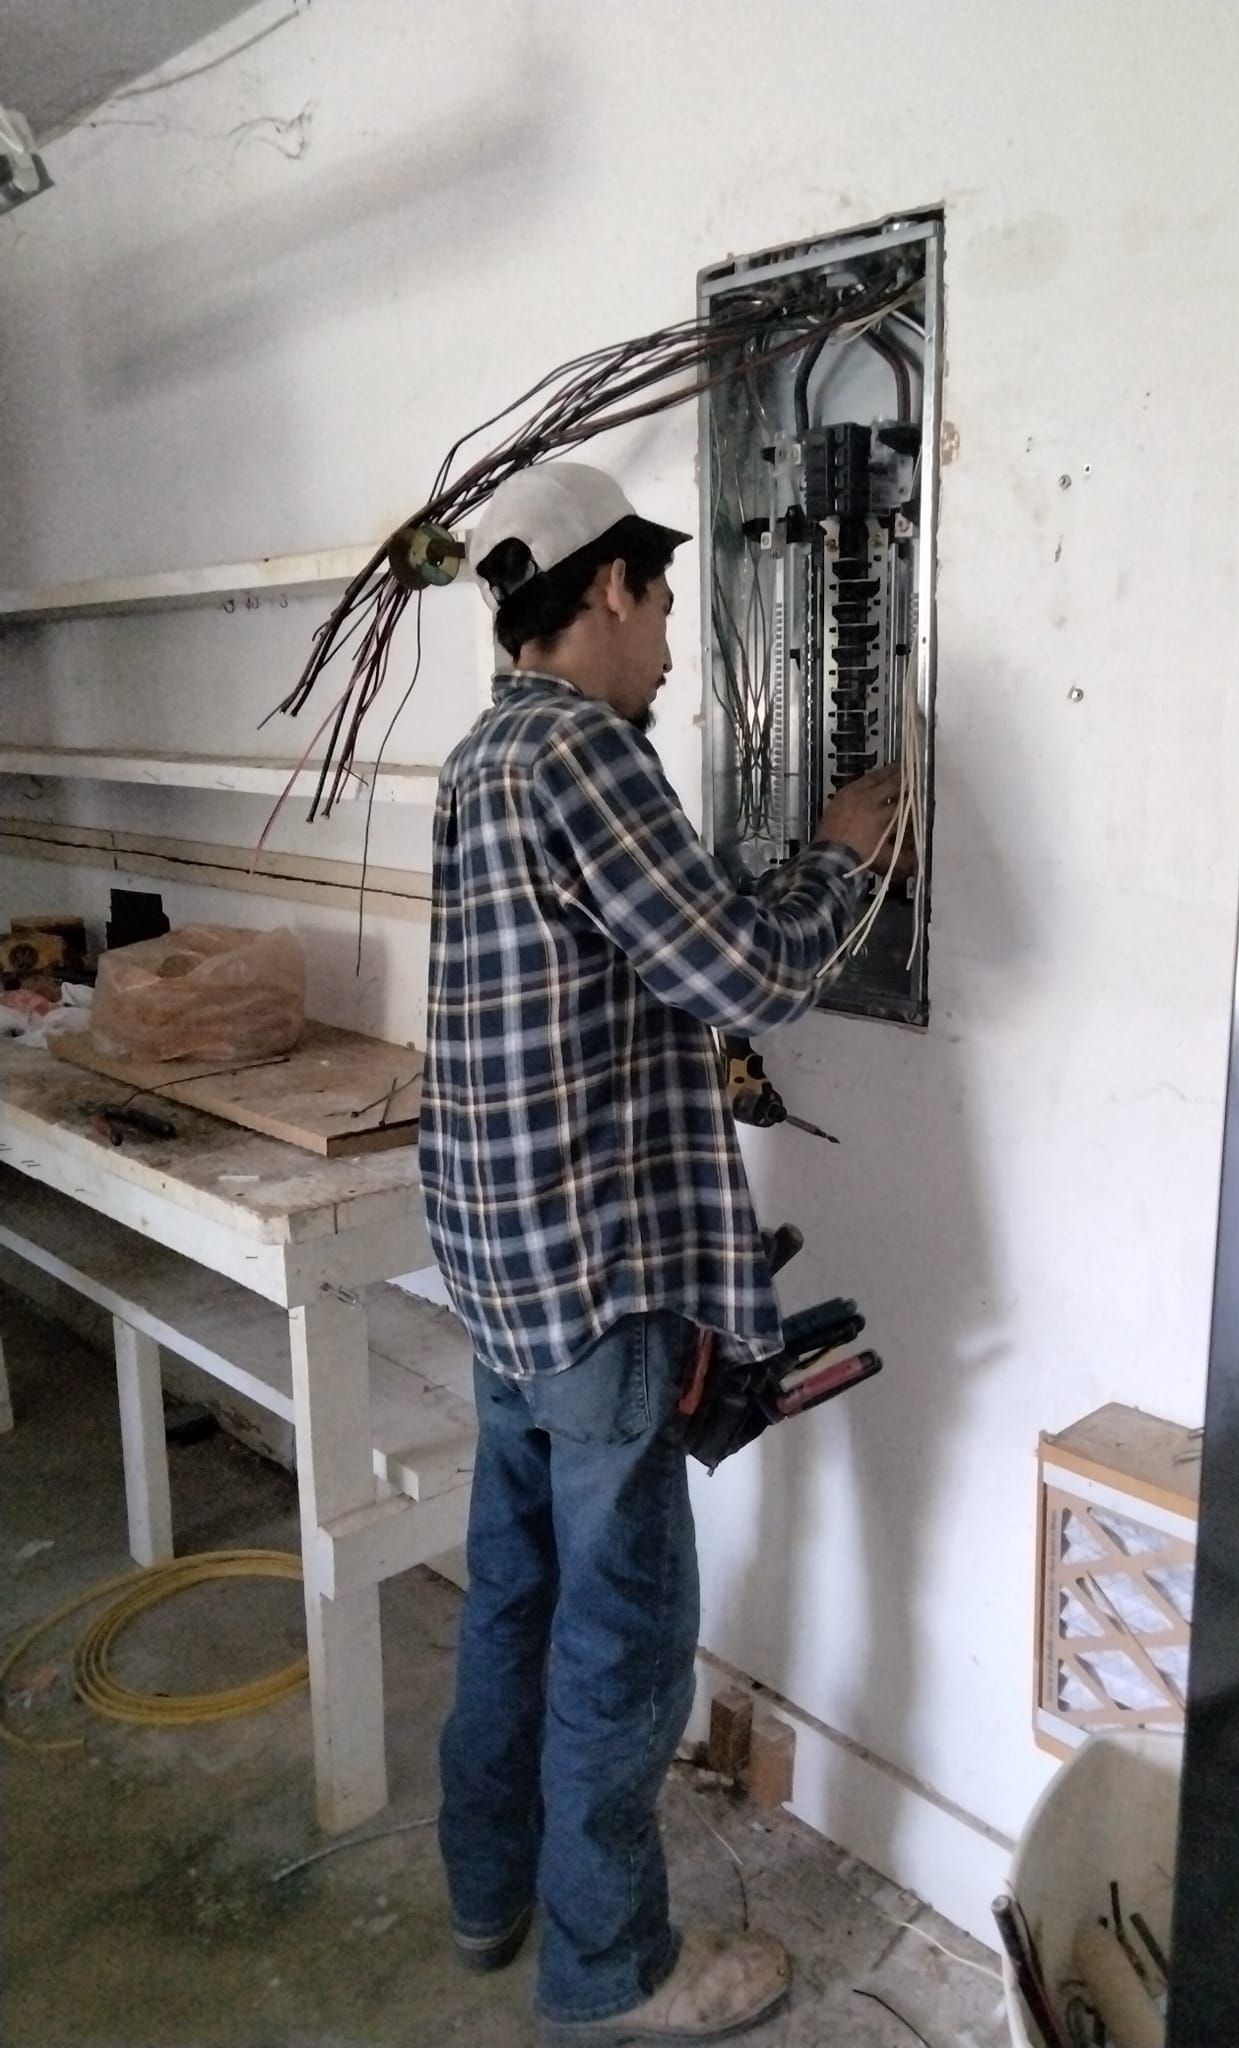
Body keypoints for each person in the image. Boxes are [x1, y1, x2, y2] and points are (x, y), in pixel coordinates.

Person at [421, 460, 903, 2044]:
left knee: (514, 1600)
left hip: (500, 1277)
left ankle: (490, 1896)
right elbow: (747, 979)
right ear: (611, 587)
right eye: (672, 601)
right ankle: (612, 1974)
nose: (682, 644)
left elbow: (635, 961)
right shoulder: (587, 754)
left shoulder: (482, 755)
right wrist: (845, 850)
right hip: (602, 1292)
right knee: (623, 1647)